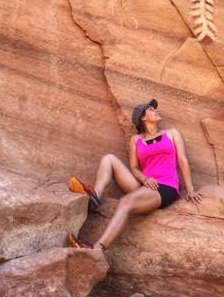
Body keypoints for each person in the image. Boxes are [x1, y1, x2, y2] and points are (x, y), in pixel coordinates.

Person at [67, 99, 203, 250]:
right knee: (109, 159)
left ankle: (97, 249)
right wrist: (144, 179)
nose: (157, 111)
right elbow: (134, 167)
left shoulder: (171, 134)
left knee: (125, 202)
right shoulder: (136, 140)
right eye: (151, 109)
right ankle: (95, 196)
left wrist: (190, 188)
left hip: (165, 186)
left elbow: (182, 160)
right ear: (143, 118)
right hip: (145, 184)